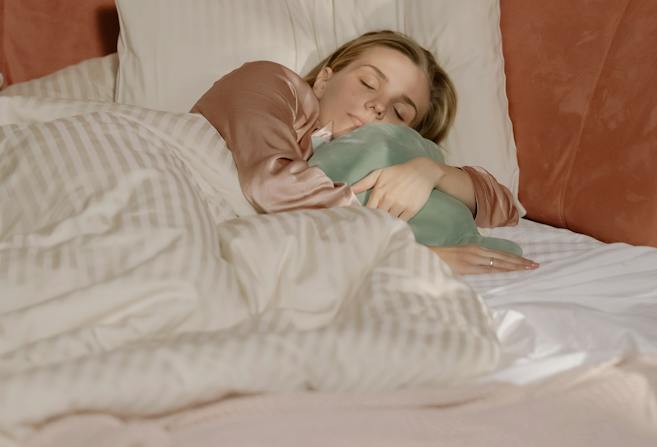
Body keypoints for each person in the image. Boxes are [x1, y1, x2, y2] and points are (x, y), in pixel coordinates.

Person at [193, 30, 537, 275]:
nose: (377, 106)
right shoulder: (271, 83)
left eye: (400, 113)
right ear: (325, 79)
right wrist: (414, 256)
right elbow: (272, 187)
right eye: (368, 83)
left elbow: (506, 209)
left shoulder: (370, 159)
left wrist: (429, 171)